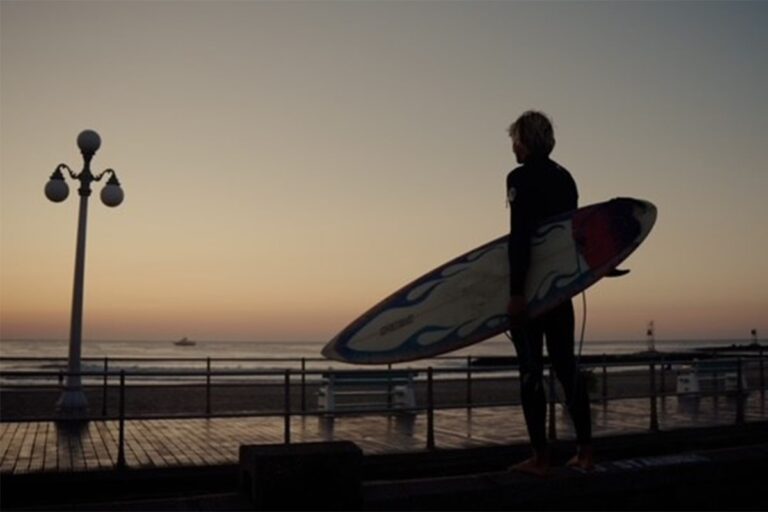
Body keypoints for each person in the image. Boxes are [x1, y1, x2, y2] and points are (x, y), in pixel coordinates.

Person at [505, 110, 593, 475]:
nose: (512, 147)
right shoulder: (565, 178)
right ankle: (586, 453)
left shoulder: (519, 178)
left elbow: (520, 237)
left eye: (514, 140)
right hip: (561, 289)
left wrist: (515, 292)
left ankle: (540, 457)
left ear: (524, 141)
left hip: (533, 290)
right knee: (566, 367)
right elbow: (571, 234)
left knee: (530, 371)